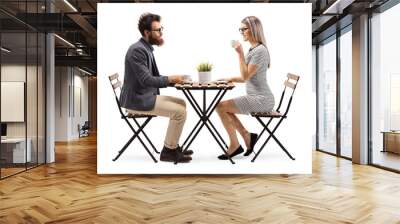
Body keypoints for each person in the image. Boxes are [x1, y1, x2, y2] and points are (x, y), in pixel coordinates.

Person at [119, 13, 193, 163]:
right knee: (179, 112)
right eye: (157, 30)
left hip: (143, 95)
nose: (161, 33)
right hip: (137, 100)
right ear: (147, 33)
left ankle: (173, 145)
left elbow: (151, 77)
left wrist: (175, 80)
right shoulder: (137, 51)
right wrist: (172, 78)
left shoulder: (145, 48)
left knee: (182, 104)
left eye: (161, 29)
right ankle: (168, 151)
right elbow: (147, 80)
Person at [216, 16, 275, 160]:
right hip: (255, 97)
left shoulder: (260, 51)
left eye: (244, 29)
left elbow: (245, 77)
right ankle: (246, 136)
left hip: (262, 100)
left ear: (254, 29)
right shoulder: (253, 49)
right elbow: (245, 77)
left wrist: (240, 53)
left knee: (221, 107)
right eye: (240, 29)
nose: (241, 32)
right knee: (222, 107)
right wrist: (228, 79)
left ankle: (235, 145)